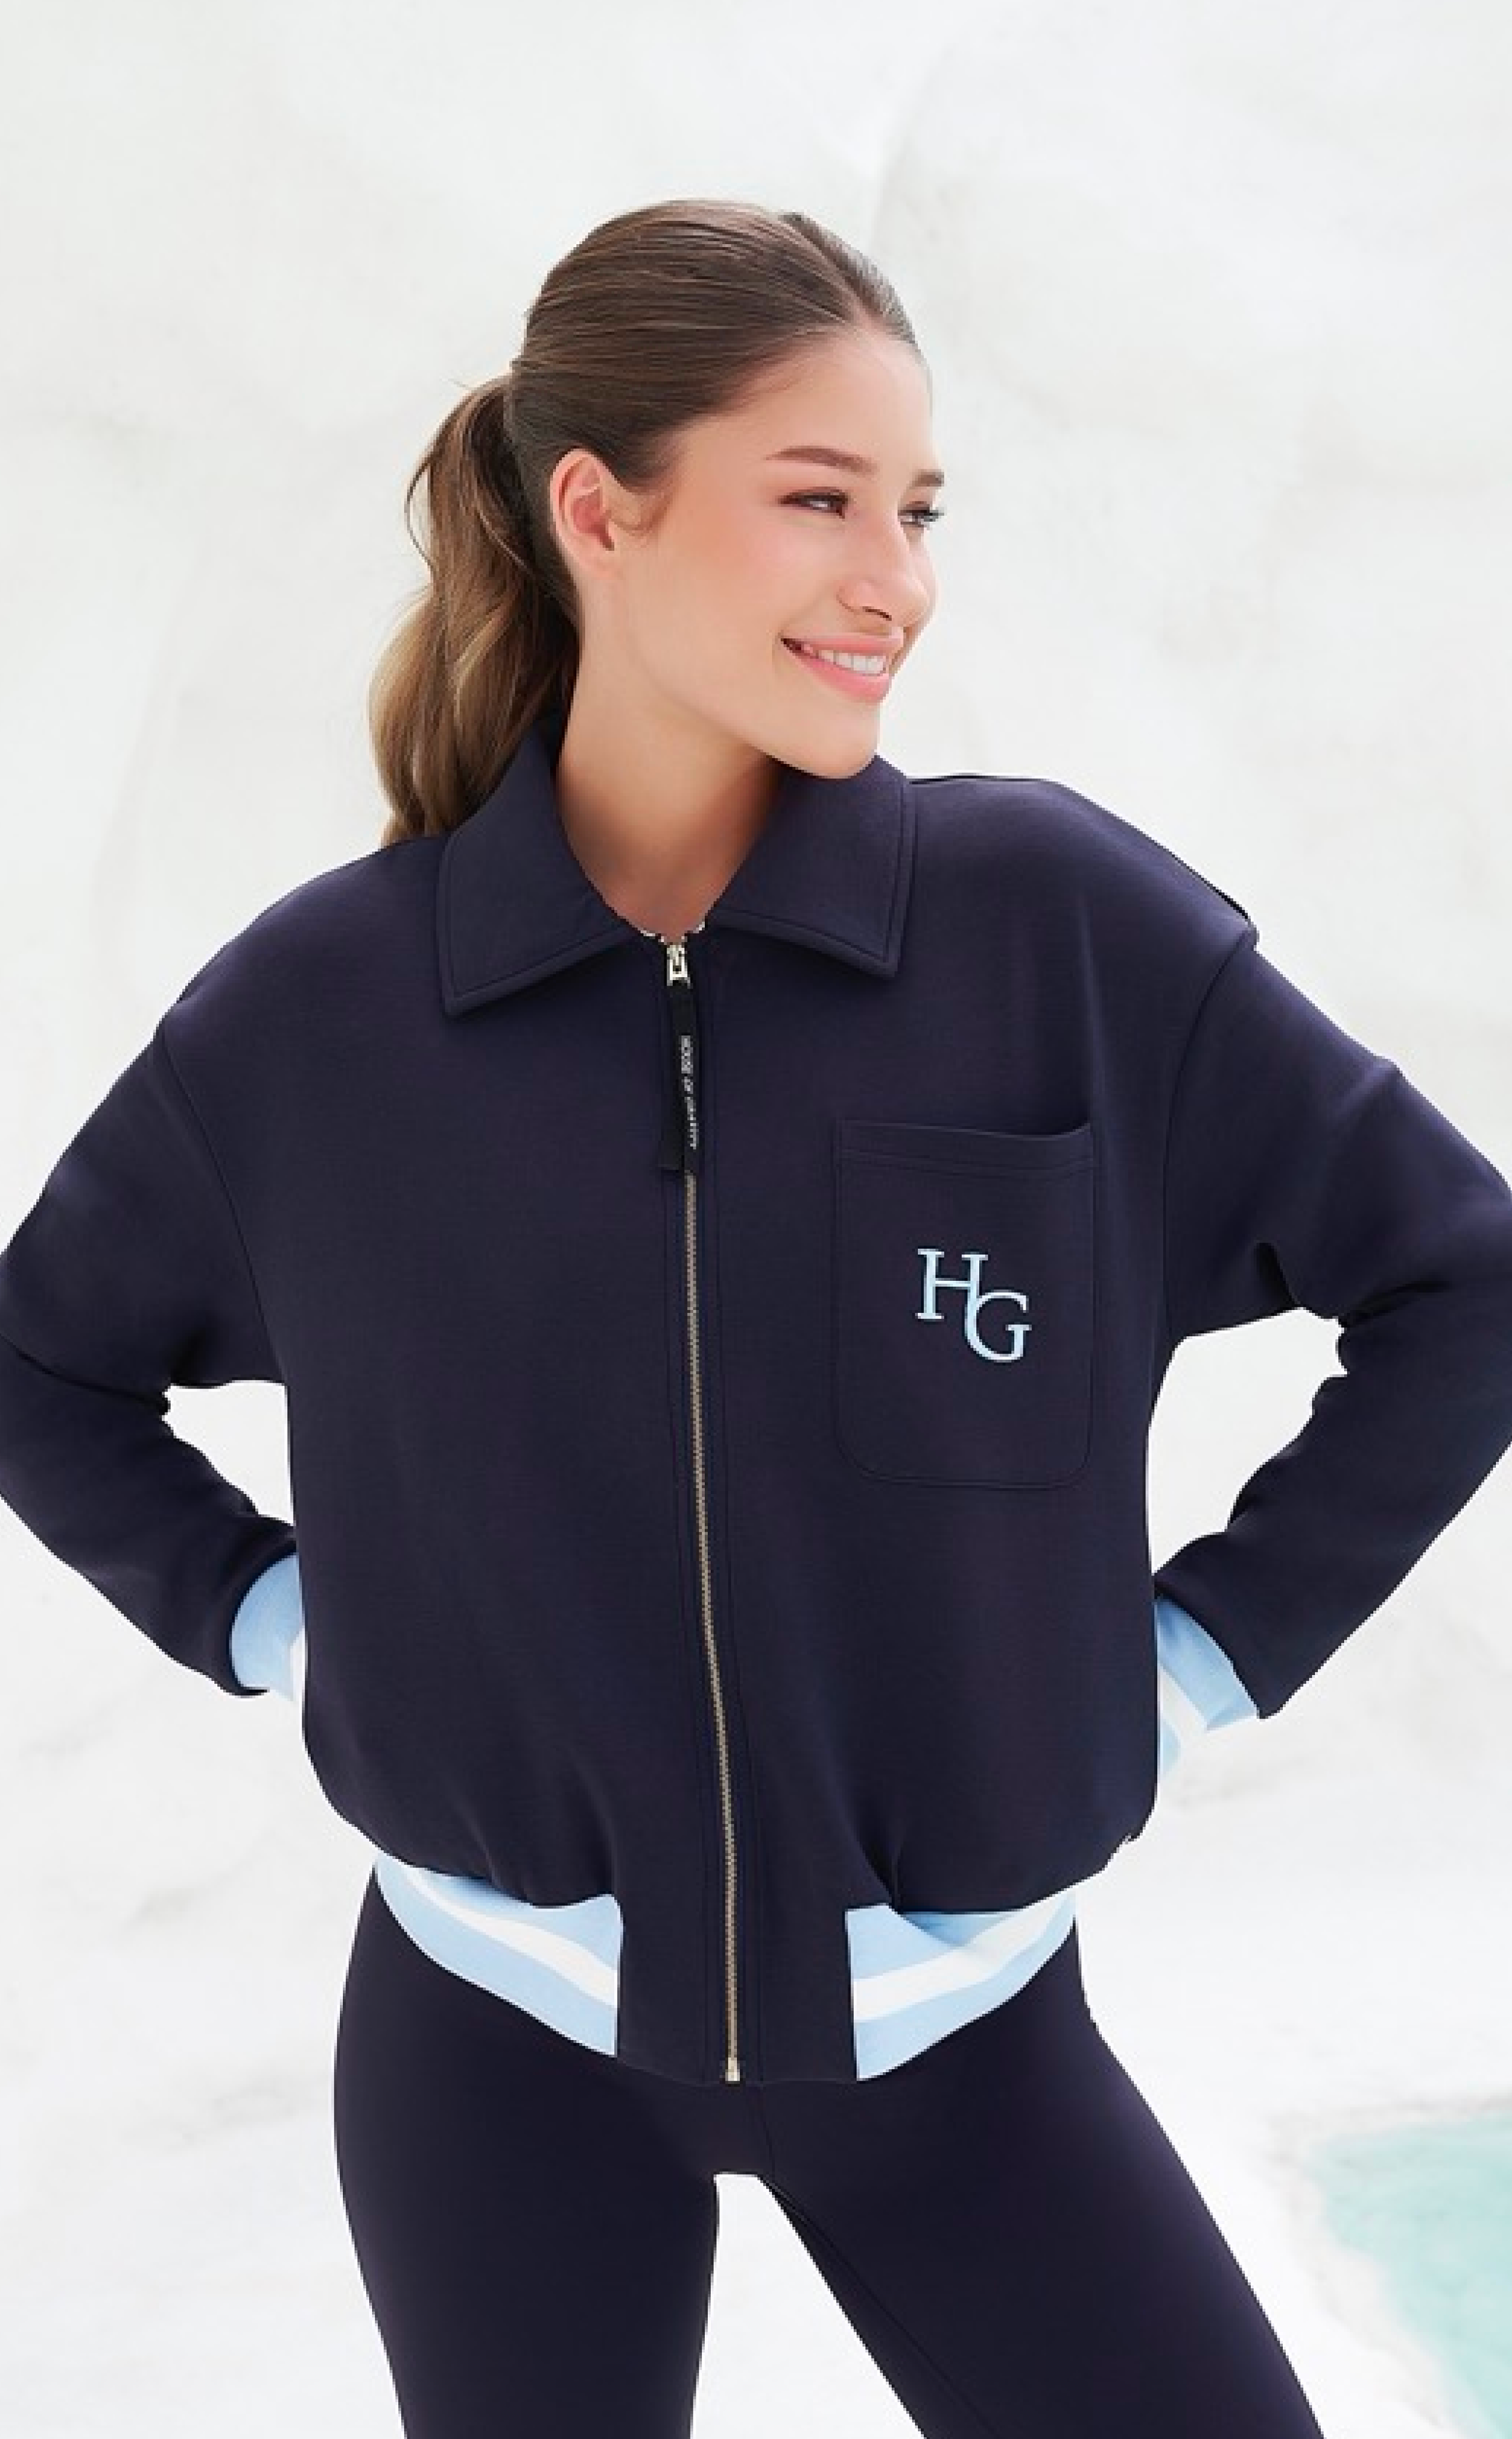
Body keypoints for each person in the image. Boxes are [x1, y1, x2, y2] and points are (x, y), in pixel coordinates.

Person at [3, 195, 1511, 2439]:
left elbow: (1462, 1281)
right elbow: (43, 1363)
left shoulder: (1055, 935)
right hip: (491, 2042)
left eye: (917, 509)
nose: (891, 577)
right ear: (596, 511)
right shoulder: (332, 1015)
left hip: (961, 2046)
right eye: (817, 500)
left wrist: (1189, 1662)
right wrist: (283, 1622)